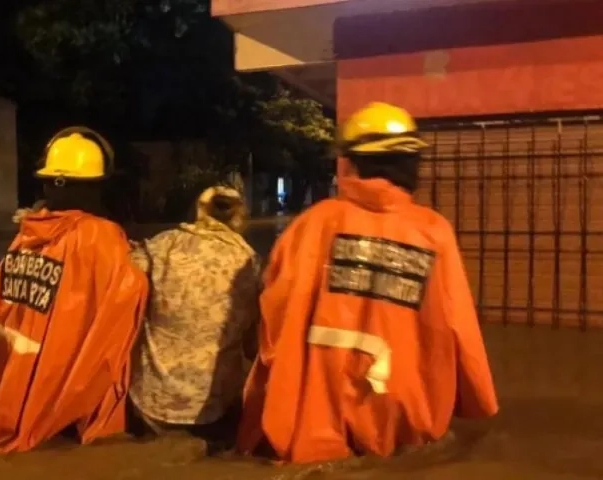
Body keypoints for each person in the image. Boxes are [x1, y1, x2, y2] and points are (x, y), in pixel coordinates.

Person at [237, 102, 499, 464]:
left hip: (320, 394)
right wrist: (477, 397)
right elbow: (459, 324)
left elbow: (276, 309)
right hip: (406, 393)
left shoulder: (314, 223)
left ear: (351, 163)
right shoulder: (433, 231)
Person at [0, 127, 148, 452]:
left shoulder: (27, 234)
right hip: (61, 389)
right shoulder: (101, 236)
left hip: (18, 381)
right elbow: (118, 318)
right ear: (98, 185)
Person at [128, 185, 261, 452]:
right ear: (240, 217)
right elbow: (253, 346)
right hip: (214, 411)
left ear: (197, 212)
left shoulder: (159, 246)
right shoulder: (250, 262)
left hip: (150, 406)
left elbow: (119, 285)